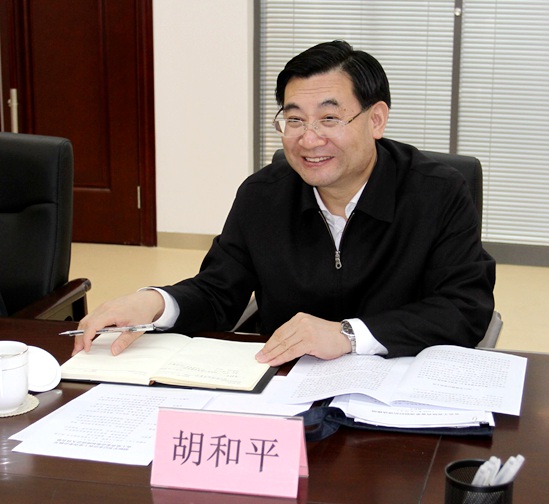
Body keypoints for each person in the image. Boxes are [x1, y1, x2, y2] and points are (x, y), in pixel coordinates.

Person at [74, 40, 495, 366]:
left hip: (398, 384)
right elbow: (219, 292)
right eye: (294, 120)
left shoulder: (438, 191)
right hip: (287, 385)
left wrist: (349, 335)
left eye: (329, 118)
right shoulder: (263, 195)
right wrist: (156, 303)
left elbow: (464, 307)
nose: (309, 139)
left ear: (376, 119)